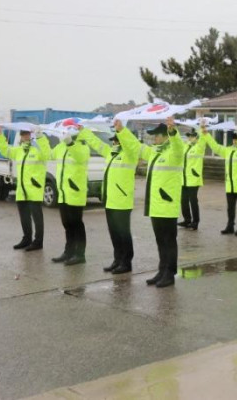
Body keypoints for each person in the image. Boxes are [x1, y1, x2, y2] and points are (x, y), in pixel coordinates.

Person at [116, 118, 184, 288]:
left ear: (165, 136)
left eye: (157, 136)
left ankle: (170, 273)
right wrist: (122, 131)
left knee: (169, 241)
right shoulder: (154, 152)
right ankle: (162, 270)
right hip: (155, 206)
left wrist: (173, 132)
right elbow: (135, 146)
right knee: (160, 241)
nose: (154, 139)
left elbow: (178, 147)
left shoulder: (174, 153)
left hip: (167, 205)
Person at [78, 122, 139, 274]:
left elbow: (132, 144)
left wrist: (122, 132)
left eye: (116, 140)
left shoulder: (130, 155)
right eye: (113, 140)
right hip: (110, 200)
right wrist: (84, 132)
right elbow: (96, 144)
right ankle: (117, 260)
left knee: (123, 233)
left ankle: (126, 262)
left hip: (122, 201)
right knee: (114, 233)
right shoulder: (111, 153)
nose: (113, 142)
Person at [0, 126, 50, 251]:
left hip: (34, 189)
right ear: (20, 136)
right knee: (24, 217)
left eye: (27, 134)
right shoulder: (18, 151)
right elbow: (5, 150)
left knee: (37, 217)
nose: (25, 136)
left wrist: (41, 136)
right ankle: (27, 239)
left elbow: (47, 153)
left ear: (31, 135)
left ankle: (38, 242)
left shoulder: (38, 151)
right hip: (22, 190)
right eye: (23, 134)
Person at [49, 131, 90, 266]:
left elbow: (79, 157)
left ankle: (80, 254)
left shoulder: (83, 147)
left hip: (75, 192)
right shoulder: (61, 147)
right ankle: (69, 252)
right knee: (67, 224)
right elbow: (47, 154)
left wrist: (70, 144)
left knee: (76, 224)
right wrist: (39, 138)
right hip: (63, 192)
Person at [204, 129, 237, 236]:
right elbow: (216, 147)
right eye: (234, 139)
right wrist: (207, 135)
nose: (235, 141)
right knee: (230, 208)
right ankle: (230, 226)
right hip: (230, 185)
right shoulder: (228, 150)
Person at [178, 128, 207, 231]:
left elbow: (203, 140)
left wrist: (201, 130)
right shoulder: (186, 146)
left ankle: (195, 222)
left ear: (196, 137)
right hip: (184, 178)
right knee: (183, 201)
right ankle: (187, 220)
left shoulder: (199, 147)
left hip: (193, 179)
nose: (190, 138)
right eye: (189, 136)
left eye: (192, 136)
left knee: (193, 201)